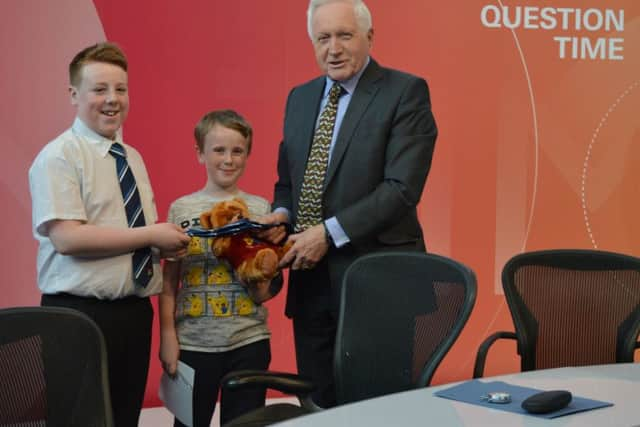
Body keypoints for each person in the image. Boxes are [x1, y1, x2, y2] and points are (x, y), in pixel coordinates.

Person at [260, 0, 438, 408]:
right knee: (318, 405)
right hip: (310, 282)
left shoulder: (405, 92)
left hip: (378, 281)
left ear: (369, 37)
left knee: (379, 409)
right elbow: (288, 181)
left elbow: (401, 189)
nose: (333, 48)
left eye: (344, 35)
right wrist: (282, 214)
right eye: (323, 38)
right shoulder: (300, 98)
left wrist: (327, 233)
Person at [28, 42, 191, 427]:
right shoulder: (59, 156)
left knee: (123, 419)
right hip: (77, 315)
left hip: (133, 315)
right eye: (99, 89)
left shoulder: (131, 157)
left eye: (121, 89)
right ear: (74, 94)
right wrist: (151, 235)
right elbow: (68, 239)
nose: (112, 100)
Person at [159, 110, 282, 427]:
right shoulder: (182, 209)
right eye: (219, 150)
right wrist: (168, 336)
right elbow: (169, 280)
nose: (228, 159)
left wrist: (259, 278)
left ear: (247, 154)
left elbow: (266, 285)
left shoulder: (261, 210)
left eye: (237, 151)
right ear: (200, 153)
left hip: (249, 341)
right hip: (193, 344)